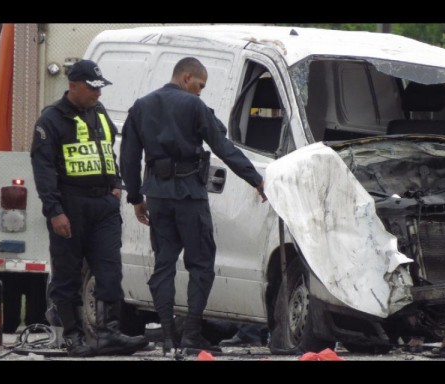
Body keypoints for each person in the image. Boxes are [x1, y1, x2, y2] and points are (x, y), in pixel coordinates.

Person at [121, 57, 267, 356]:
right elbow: (223, 146)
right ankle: (190, 336)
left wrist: (136, 197)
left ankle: (167, 339)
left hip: (158, 197)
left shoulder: (141, 106)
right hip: (190, 196)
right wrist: (255, 179)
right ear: (187, 77)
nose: (200, 92)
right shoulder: (194, 106)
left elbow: (129, 157)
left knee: (163, 265)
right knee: (200, 265)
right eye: (200, 85)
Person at [30, 59, 148, 357]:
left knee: (109, 270)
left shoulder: (98, 112)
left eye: (100, 87)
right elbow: (43, 169)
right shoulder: (51, 119)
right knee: (67, 274)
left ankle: (107, 334)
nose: (98, 93)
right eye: (92, 87)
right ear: (72, 86)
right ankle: (73, 336)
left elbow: (107, 150)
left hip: (103, 206)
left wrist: (117, 184)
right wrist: (55, 211)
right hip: (70, 205)